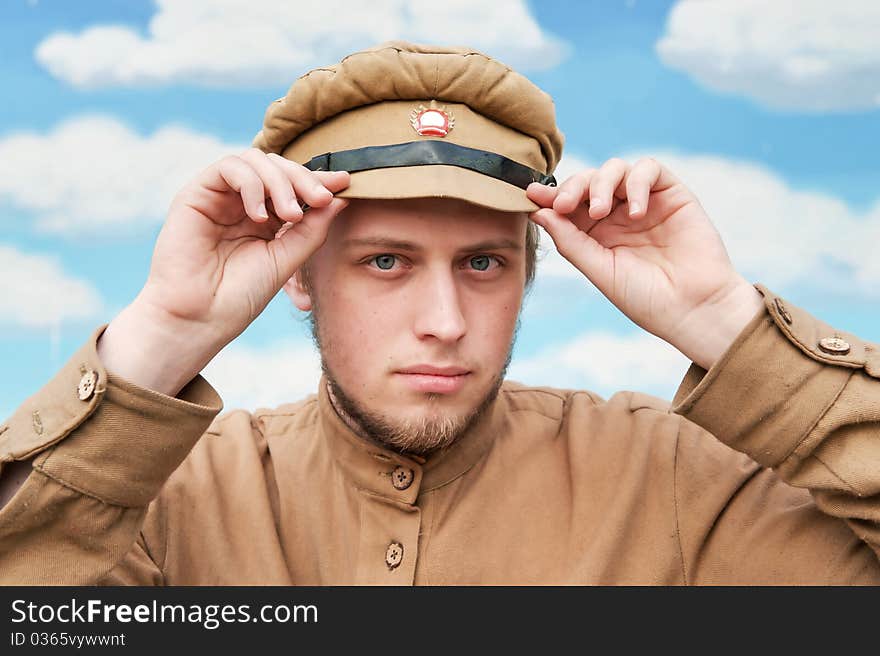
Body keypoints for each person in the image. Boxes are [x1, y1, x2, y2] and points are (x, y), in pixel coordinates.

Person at [1, 41, 878, 585]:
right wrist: (161, 334)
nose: (445, 321)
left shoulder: (677, 479)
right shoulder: (161, 496)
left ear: (531, 272)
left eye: (484, 263)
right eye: (386, 261)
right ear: (297, 275)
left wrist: (724, 320)